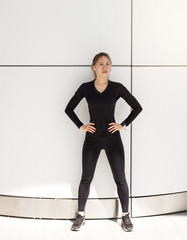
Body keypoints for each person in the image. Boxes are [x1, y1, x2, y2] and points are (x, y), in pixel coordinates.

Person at [64, 52, 143, 232]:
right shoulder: (86, 88)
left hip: (113, 140)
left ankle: (125, 216)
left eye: (108, 63)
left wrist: (123, 125)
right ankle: (81, 215)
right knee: (86, 178)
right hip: (92, 139)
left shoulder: (117, 88)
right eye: (101, 64)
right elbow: (68, 109)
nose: (105, 67)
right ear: (93, 67)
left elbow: (137, 107)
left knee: (121, 179)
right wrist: (81, 126)